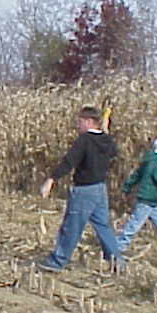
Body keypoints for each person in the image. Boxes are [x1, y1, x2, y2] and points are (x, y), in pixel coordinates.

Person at [36, 106, 122, 273]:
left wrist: (51, 179)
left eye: (80, 121)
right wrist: (105, 131)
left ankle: (56, 261)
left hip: (84, 190)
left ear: (89, 122)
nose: (77, 124)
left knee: (71, 226)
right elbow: (113, 152)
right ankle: (117, 262)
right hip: (100, 189)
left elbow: (69, 161)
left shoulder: (84, 140)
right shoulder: (105, 140)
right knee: (103, 226)